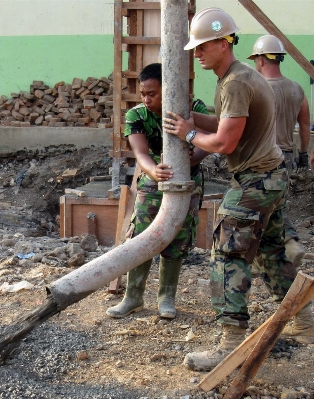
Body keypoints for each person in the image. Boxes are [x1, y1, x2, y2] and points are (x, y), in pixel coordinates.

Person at [163, 7, 314, 371]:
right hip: (271, 176)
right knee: (272, 252)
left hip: (256, 181)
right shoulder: (237, 77)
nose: (196, 53)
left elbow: (226, 142)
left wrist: (188, 133)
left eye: (202, 47)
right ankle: (307, 323)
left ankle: (230, 342)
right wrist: (191, 118)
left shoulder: (236, 82)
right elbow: (230, 122)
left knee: (227, 255)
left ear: (222, 42)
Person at [106, 63, 208, 320]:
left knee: (177, 237)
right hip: (153, 180)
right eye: (143, 93)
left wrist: (192, 158)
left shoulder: (194, 109)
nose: (146, 99)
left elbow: (208, 143)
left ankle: (166, 299)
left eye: (152, 93)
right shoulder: (137, 115)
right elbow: (140, 153)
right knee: (141, 235)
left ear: (169, 89)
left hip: (188, 179)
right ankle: (133, 297)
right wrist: (154, 171)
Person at [248, 34, 310, 268]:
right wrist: (303, 153)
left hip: (263, 158)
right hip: (288, 156)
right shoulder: (296, 89)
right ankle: (261, 260)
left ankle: (290, 243)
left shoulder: (258, 89)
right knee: (275, 204)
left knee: (259, 208)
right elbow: (305, 124)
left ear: (261, 60)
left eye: (256, 59)